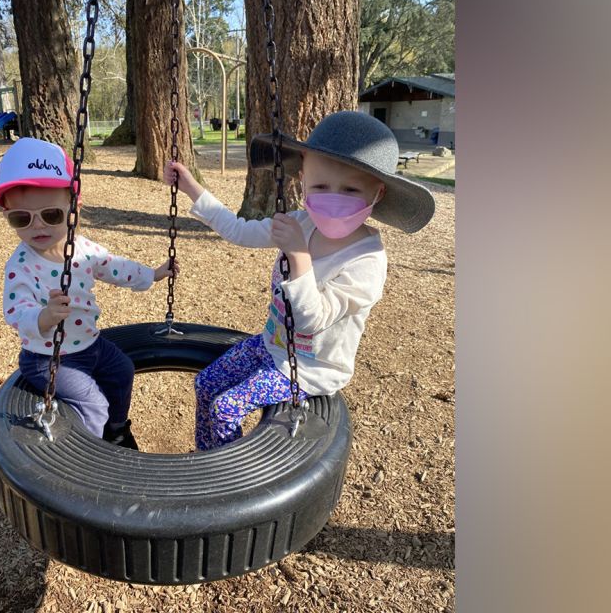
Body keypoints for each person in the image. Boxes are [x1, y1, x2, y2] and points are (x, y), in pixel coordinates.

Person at [164, 110, 435, 450]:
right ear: (302, 177)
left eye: (350, 189)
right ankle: (208, 459)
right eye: (320, 186)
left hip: (310, 370)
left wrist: (299, 256)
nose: (333, 198)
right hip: (271, 345)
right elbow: (240, 230)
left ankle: (227, 483)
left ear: (377, 193)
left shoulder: (366, 261)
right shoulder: (302, 223)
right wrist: (192, 188)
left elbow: (312, 320)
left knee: (225, 407)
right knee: (206, 384)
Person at [0, 137, 177, 450]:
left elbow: (114, 266)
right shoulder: (21, 266)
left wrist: (151, 274)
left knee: (122, 371)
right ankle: (86, 458)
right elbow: (16, 313)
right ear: (7, 216)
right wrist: (43, 316)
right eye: (21, 218)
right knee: (93, 405)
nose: (38, 226)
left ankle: (116, 429)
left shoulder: (82, 249)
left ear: (74, 207)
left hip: (90, 344)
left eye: (52, 215)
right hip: (48, 358)